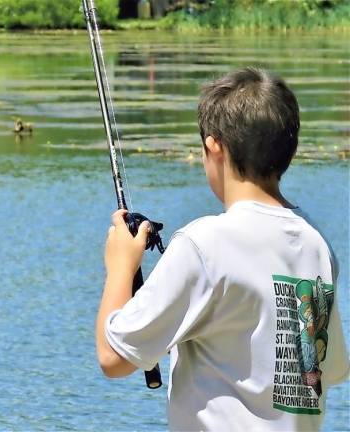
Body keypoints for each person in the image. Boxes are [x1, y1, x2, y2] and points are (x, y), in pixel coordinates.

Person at [95, 67, 349, 431]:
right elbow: (325, 369)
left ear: (214, 147)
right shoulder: (316, 247)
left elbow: (113, 356)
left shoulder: (204, 245)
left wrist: (120, 267)